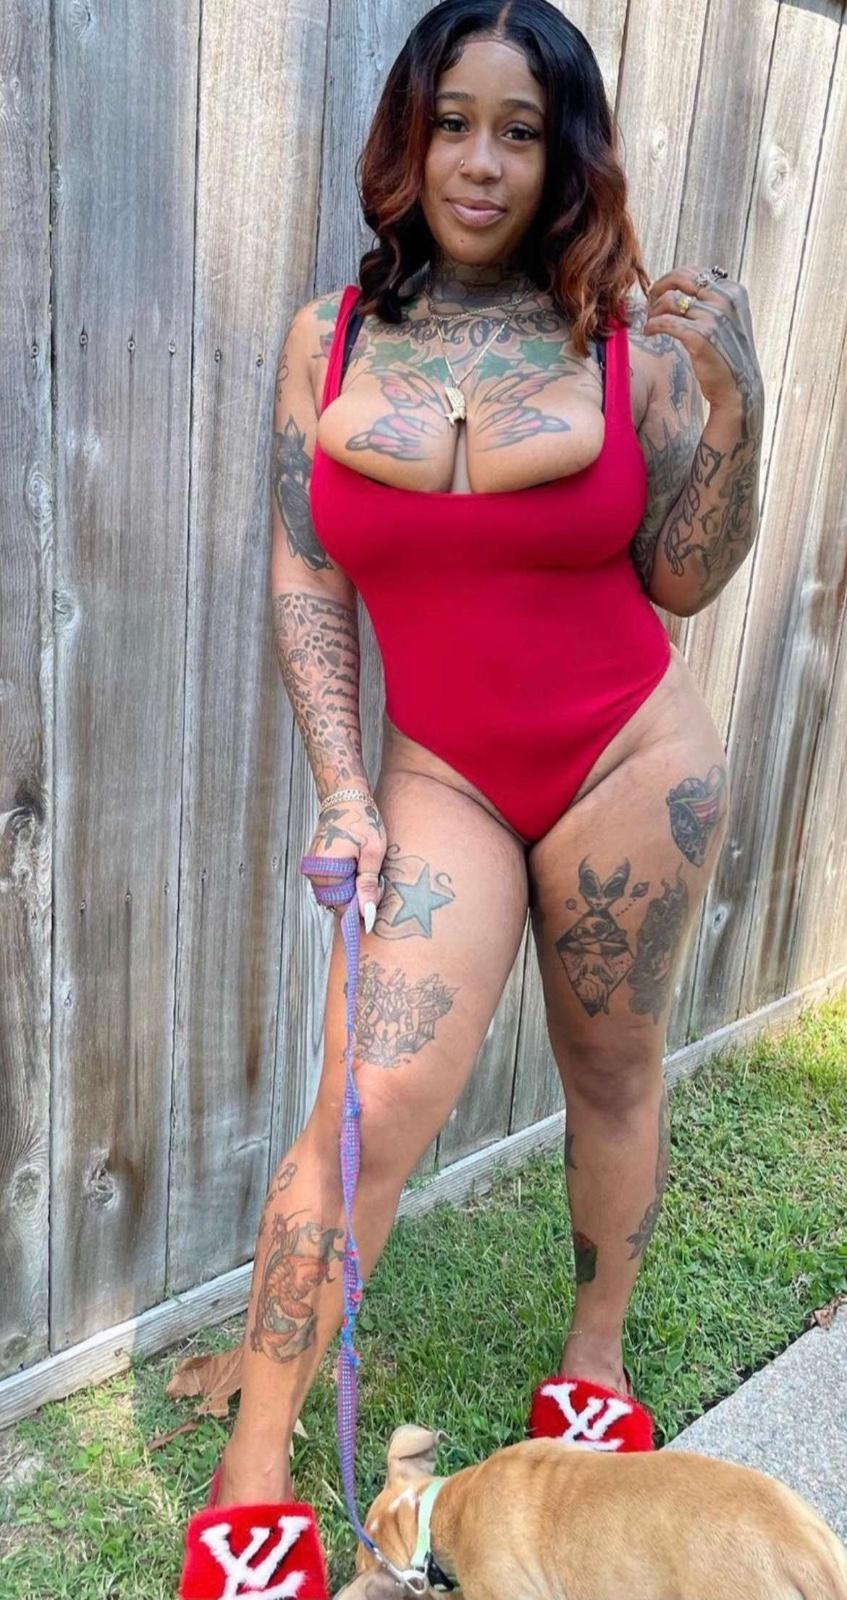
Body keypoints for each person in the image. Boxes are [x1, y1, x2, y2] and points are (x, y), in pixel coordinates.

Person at [179, 1, 763, 1592]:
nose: (483, 162)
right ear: (408, 139)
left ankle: (596, 1361)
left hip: (631, 760)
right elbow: (308, 566)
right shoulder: (329, 341)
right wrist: (341, 788)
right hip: (440, 774)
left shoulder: (626, 343)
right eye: (453, 124)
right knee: (361, 1113)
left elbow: (687, 578)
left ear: (563, 155)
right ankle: (254, 1477)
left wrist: (737, 409)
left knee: (610, 1067)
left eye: (520, 130)